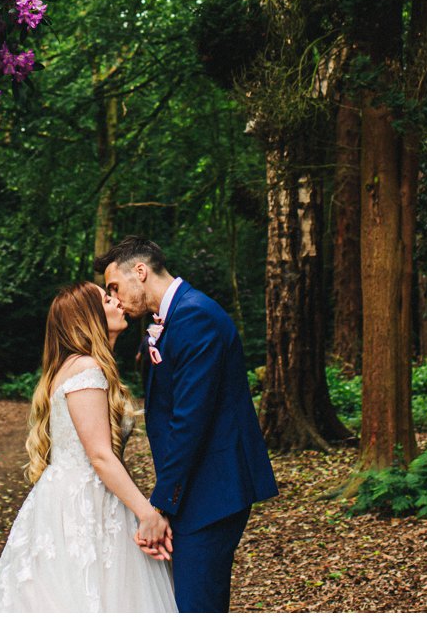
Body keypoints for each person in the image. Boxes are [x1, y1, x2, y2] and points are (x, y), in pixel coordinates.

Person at [98, 236, 278, 613]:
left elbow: (190, 420)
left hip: (214, 488)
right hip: (197, 487)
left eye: (114, 286)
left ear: (141, 272)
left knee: (197, 605)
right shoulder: (176, 316)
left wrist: (161, 505)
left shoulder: (195, 316)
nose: (113, 296)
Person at [0, 282, 178, 612]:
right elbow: (99, 455)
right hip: (82, 505)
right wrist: (146, 514)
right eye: (107, 298)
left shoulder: (77, 366)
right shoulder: (86, 369)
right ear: (89, 316)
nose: (117, 301)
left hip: (76, 496)